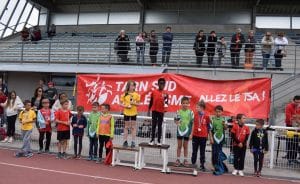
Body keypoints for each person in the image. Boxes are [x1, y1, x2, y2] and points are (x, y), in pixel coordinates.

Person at [191, 100, 211, 171]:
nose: (196, 108)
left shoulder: (207, 116)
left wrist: (209, 136)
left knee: (202, 151)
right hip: (195, 135)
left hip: (203, 136)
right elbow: (193, 124)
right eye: (196, 107)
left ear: (202, 108)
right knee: (194, 151)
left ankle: (202, 165)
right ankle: (193, 164)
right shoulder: (195, 115)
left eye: (198, 107)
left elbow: (209, 127)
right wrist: (191, 134)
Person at [174, 97, 194, 166]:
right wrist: (177, 122)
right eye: (183, 103)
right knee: (179, 146)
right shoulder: (178, 111)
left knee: (185, 146)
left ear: (188, 104)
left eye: (186, 103)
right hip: (179, 131)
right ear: (181, 104)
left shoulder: (191, 112)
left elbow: (193, 123)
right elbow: (175, 121)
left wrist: (191, 133)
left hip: (187, 132)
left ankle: (185, 160)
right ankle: (178, 159)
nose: (185, 104)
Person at [120, 80, 140, 148]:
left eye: (133, 85)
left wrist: (133, 103)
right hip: (126, 112)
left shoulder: (136, 95)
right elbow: (121, 103)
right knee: (126, 127)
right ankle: (125, 141)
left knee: (133, 127)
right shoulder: (124, 94)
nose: (132, 87)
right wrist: (125, 106)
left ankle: (133, 141)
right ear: (128, 86)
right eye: (131, 85)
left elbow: (138, 104)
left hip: (134, 113)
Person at [148, 78, 168, 146]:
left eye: (163, 84)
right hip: (154, 110)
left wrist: (165, 109)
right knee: (153, 125)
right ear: (158, 84)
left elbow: (166, 102)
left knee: (160, 126)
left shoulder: (165, 93)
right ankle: (152, 140)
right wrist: (148, 110)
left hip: (161, 111)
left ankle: (159, 140)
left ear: (164, 85)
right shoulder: (154, 92)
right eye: (160, 83)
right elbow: (151, 101)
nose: (162, 85)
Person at [210, 105, 227, 175]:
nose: (218, 113)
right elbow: (210, 130)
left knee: (219, 153)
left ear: (222, 112)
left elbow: (226, 128)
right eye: (216, 112)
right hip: (214, 138)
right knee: (214, 152)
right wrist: (211, 138)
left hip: (221, 139)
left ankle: (219, 165)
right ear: (214, 112)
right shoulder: (212, 119)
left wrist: (224, 125)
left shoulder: (224, 119)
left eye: (219, 112)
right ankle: (214, 165)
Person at [285, 96, 300, 164]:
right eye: (296, 102)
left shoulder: (299, 107)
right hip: (290, 126)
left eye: (299, 102)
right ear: (293, 100)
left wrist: (295, 117)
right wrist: (296, 118)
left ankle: (294, 158)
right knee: (290, 142)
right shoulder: (289, 106)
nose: (297, 103)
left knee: (296, 143)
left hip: (297, 127)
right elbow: (289, 118)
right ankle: (289, 158)